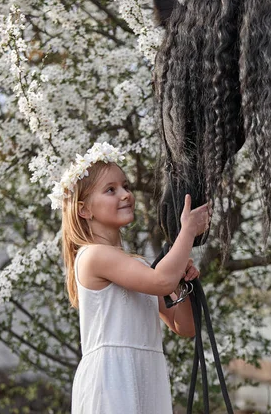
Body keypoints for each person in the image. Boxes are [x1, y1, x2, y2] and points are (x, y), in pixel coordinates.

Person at [49, 142, 211, 413]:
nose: (125, 194)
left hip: (145, 374)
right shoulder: (92, 256)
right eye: (111, 190)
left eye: (126, 186)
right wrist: (187, 232)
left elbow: (185, 326)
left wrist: (182, 280)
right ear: (84, 210)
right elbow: (161, 282)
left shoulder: (137, 265)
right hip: (112, 380)